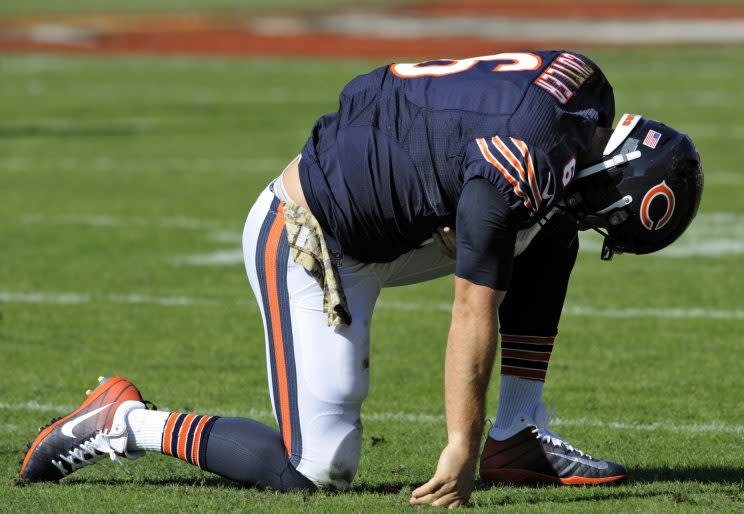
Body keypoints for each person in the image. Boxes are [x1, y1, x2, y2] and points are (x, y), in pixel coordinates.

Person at [19, 50, 703, 508]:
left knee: (546, 219)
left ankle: (518, 432)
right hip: (310, 238)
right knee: (318, 467)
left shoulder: (586, 90)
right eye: (604, 220)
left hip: (393, 213)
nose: (595, 228)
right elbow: (472, 310)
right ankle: (124, 422)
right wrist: (458, 445)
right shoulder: (520, 164)